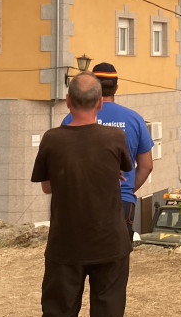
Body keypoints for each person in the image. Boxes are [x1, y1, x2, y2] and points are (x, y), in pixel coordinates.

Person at [25, 73, 133, 317]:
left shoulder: (53, 139)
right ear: (100, 103)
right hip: (109, 245)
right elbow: (122, 172)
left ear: (68, 103)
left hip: (65, 246)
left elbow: (46, 186)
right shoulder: (115, 137)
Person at [60, 62, 154, 240]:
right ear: (116, 87)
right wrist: (127, 189)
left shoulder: (71, 118)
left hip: (82, 201)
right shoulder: (135, 119)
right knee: (115, 260)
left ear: (93, 86)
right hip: (122, 201)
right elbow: (147, 165)